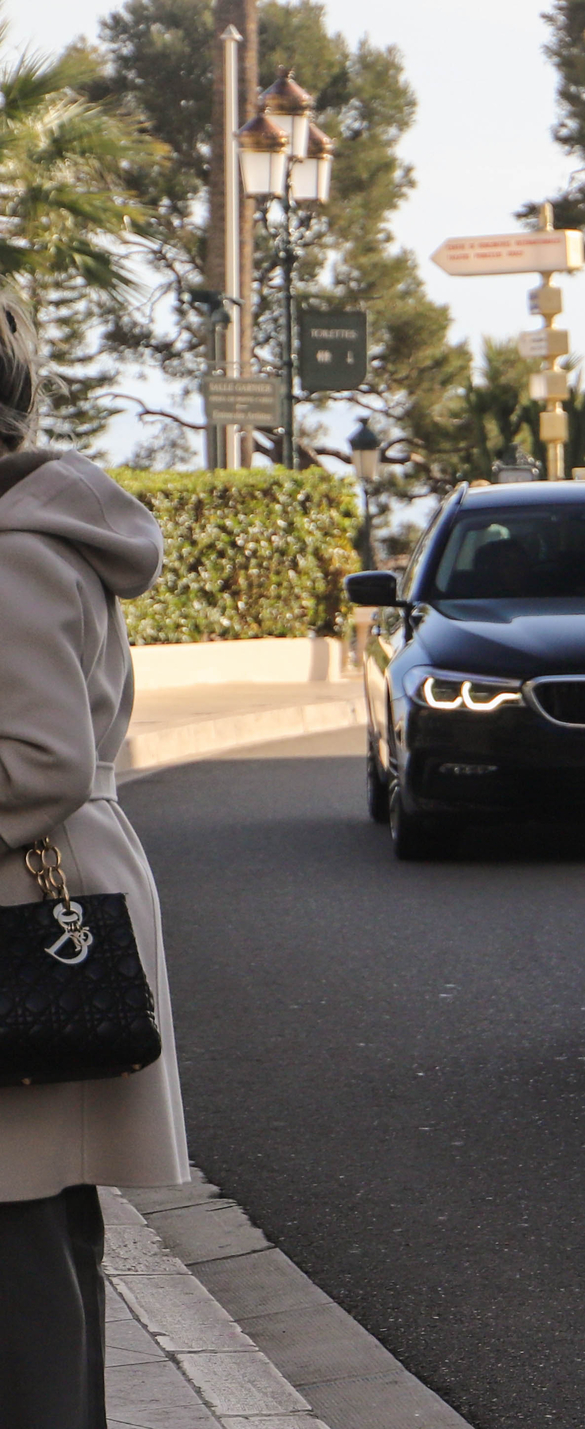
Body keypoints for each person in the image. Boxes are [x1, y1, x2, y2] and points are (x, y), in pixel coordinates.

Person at [0, 295, 189, 1426]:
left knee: (21, 1247)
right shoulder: (36, 534)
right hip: (47, 895)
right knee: (43, 1236)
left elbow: (38, 760)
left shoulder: (13, 554)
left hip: (23, 901)